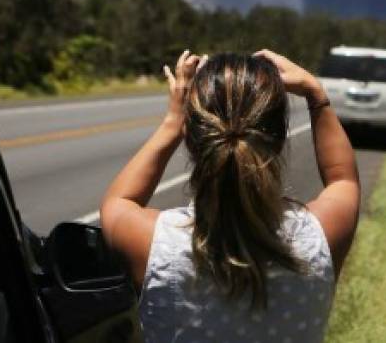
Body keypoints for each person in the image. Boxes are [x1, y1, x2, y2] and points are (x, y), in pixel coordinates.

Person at [100, 49, 361, 342]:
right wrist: (316, 94)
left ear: (192, 137)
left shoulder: (154, 246)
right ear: (278, 139)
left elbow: (117, 203)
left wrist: (173, 122)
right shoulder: (319, 238)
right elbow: (343, 179)